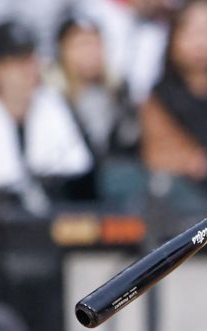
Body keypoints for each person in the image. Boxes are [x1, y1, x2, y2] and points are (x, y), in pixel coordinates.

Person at [140, 0, 207, 208]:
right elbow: (156, 156)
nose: (202, 42)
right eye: (192, 31)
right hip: (187, 204)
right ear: (173, 36)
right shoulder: (158, 98)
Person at [0, 21, 93, 212]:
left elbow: (77, 173)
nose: (29, 68)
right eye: (18, 60)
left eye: (32, 58)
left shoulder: (54, 106)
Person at [45, 14, 139, 201]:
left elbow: (129, 144)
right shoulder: (50, 97)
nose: (90, 52)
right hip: (68, 192)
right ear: (62, 50)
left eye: (95, 43)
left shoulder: (119, 91)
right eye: (80, 45)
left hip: (115, 193)